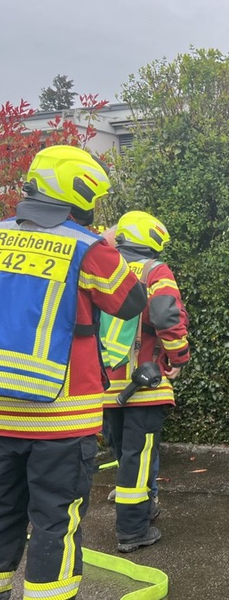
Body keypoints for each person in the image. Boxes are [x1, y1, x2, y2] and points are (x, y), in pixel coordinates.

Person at [0, 146, 147, 600]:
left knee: (3, 516)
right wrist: (103, 244)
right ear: (78, 194)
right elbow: (130, 302)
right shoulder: (87, 248)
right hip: (61, 418)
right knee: (54, 521)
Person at [100, 210, 190, 553]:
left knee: (123, 452)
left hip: (105, 386)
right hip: (143, 386)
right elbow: (167, 313)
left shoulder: (103, 268)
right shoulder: (155, 271)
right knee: (139, 460)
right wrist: (179, 357)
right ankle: (133, 530)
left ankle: (142, 506)